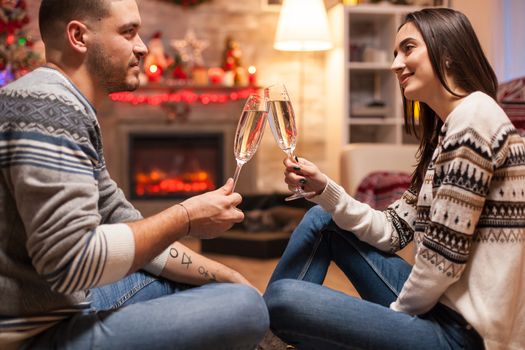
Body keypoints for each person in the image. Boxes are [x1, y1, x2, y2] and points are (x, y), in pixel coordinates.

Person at [0, 0, 269, 349]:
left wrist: (227, 275)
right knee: (246, 310)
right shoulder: (54, 108)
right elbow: (72, 263)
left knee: (212, 287)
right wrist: (185, 218)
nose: (142, 47)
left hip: (58, 303)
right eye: (128, 32)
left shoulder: (51, 96)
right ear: (79, 36)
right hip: (31, 334)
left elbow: (122, 221)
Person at [264, 8, 524, 350]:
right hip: (442, 310)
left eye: (408, 48)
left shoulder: (474, 121)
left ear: (446, 52)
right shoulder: (452, 130)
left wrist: (391, 320)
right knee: (321, 218)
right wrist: (325, 190)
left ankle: (261, 335)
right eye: (394, 53)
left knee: (284, 299)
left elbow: (441, 263)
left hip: (466, 337)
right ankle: (264, 339)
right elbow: (393, 230)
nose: (395, 64)